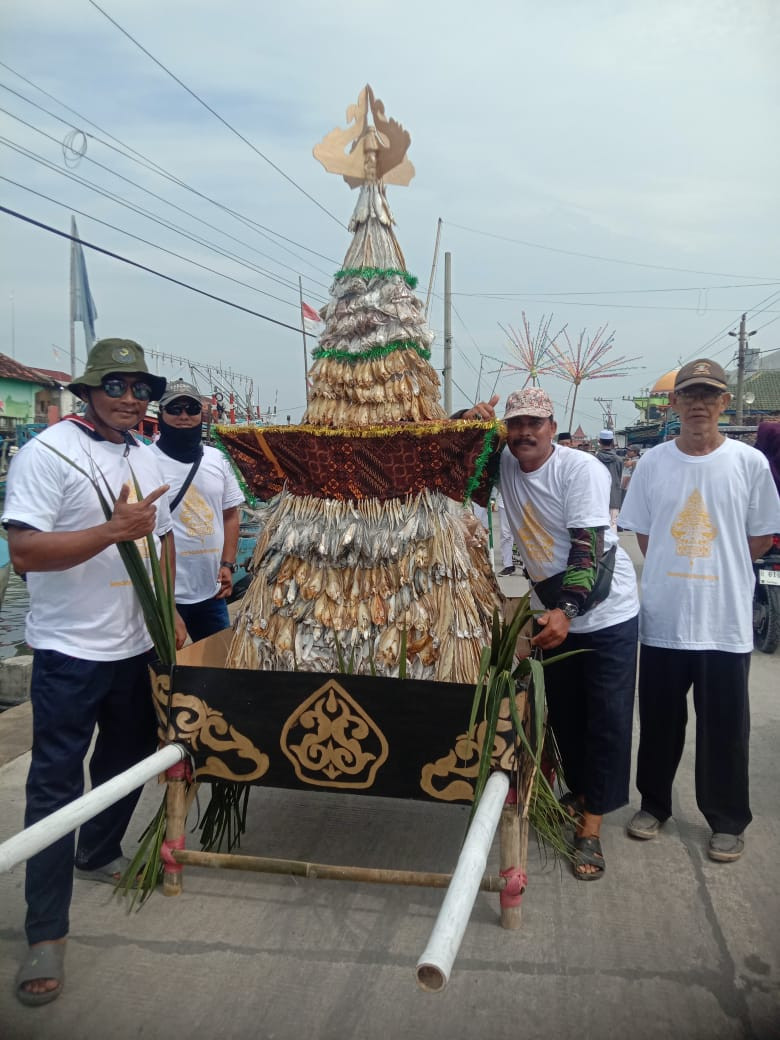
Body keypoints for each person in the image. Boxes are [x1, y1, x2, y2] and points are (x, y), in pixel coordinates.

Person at [2, 338, 187, 1006]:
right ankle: (46, 931)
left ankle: (98, 849)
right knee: (54, 785)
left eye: (143, 389)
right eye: (118, 385)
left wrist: (170, 619)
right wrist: (111, 531)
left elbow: (160, 537)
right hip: (70, 652)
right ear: (87, 391)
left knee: (132, 756)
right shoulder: (44, 453)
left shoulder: (145, 454)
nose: (133, 400)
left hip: (135, 648)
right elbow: (24, 552)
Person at [462, 387, 639, 880]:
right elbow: (459, 463)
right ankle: (580, 792)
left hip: (604, 613)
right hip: (552, 611)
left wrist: (565, 610)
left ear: (552, 426)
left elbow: (587, 550)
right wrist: (470, 421)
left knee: (605, 720)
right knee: (563, 716)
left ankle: (591, 830)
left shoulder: (580, 469)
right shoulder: (504, 465)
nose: (524, 433)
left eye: (534, 424)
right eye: (514, 424)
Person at [619, 359, 780, 863]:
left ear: (725, 402)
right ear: (674, 403)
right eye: (689, 395)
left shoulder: (749, 463)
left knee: (725, 729)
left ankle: (727, 819)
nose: (699, 404)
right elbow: (644, 535)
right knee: (661, 723)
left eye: (709, 395)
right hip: (665, 619)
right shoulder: (652, 463)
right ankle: (655, 806)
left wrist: (718, 567)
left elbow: (760, 538)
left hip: (724, 623)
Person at [150, 380, 245, 641]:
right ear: (161, 414)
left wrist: (227, 563)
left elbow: (230, 515)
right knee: (165, 675)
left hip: (211, 592)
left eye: (190, 409)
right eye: (174, 409)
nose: (183, 416)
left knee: (219, 670)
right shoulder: (144, 461)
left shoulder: (217, 459)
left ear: (201, 415)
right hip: (165, 593)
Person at [595, 429, 623, 529]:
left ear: (599, 441)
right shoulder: (619, 460)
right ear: (612, 442)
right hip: (614, 496)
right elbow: (620, 478)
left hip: (597, 496)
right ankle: (612, 544)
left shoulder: (594, 459)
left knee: (598, 526)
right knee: (612, 523)